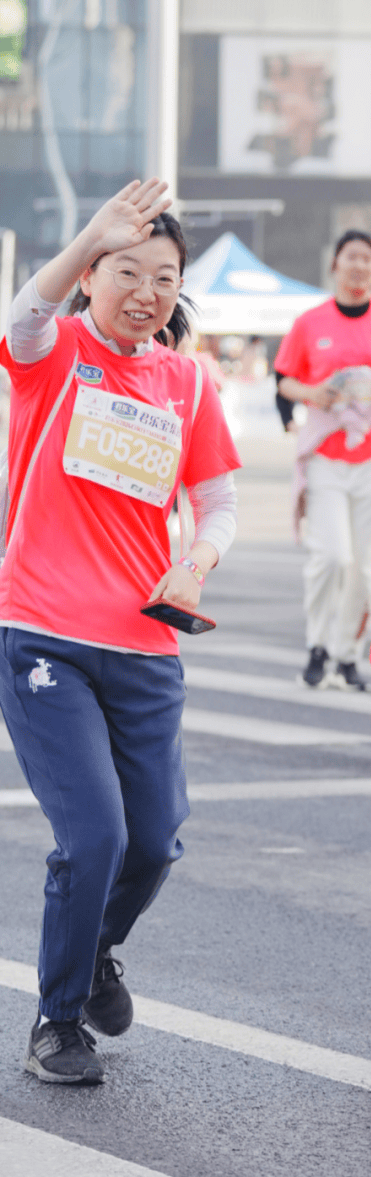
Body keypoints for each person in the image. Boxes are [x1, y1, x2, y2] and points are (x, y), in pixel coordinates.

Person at [0, 180, 241, 1084]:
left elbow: (216, 501)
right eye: (127, 271)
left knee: (152, 841)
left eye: (165, 277)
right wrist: (86, 234)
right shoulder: (55, 351)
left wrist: (198, 561)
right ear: (93, 277)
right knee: (94, 836)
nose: (146, 291)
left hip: (144, 640)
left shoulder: (185, 380)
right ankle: (56, 1022)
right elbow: (25, 315)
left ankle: (95, 947)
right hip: (43, 631)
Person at [276, 230, 371, 691]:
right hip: (325, 454)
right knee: (332, 557)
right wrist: (311, 393)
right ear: (335, 264)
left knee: (367, 564)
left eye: (368, 258)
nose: (359, 266)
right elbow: (283, 380)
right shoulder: (310, 322)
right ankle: (318, 644)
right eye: (351, 257)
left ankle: (347, 654)